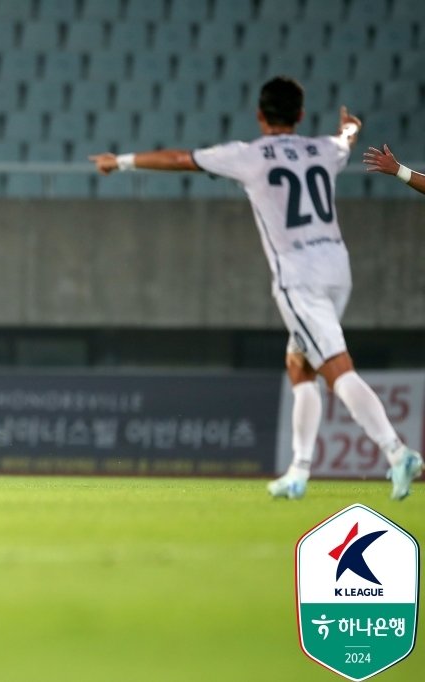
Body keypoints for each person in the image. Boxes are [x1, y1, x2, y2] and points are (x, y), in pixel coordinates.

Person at [90, 76, 423, 501]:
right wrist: (351, 126)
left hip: (297, 275)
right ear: (300, 115)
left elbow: (180, 158)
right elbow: (347, 138)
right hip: (338, 267)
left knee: (335, 367)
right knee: (299, 362)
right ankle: (299, 472)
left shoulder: (247, 156)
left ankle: (396, 452)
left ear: (260, 115)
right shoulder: (324, 148)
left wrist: (120, 161)